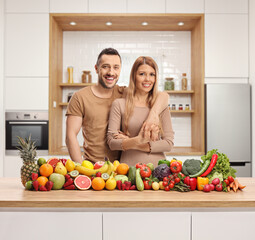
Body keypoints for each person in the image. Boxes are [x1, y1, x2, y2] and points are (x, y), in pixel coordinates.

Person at [66, 48, 169, 164]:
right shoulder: (80, 97)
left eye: (116, 67)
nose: (111, 72)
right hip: (93, 164)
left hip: (121, 166)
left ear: (120, 70)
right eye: (105, 67)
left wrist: (153, 115)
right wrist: (80, 167)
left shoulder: (123, 93)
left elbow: (163, 96)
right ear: (96, 68)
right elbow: (71, 136)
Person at [107, 56, 174, 167]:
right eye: (142, 74)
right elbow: (112, 143)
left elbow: (168, 144)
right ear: (134, 76)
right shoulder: (119, 104)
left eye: (152, 74)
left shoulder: (160, 106)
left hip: (158, 171)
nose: (147, 79)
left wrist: (132, 142)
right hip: (128, 170)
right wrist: (138, 140)